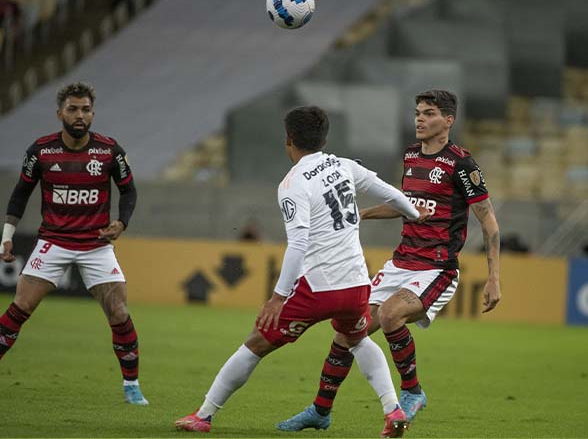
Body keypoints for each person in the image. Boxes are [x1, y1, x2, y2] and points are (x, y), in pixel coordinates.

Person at [174, 106, 429, 437]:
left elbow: (297, 245)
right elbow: (391, 193)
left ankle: (204, 416)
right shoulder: (344, 165)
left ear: (288, 140)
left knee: (255, 344)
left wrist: (278, 297)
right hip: (356, 285)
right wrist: (413, 213)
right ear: (323, 138)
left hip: (318, 286)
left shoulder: (292, 184)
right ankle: (392, 409)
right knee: (357, 340)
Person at [279, 90, 502, 430]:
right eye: (417, 112)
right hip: (401, 262)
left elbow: (489, 222)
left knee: (390, 314)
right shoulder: (412, 155)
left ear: (448, 121)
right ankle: (320, 411)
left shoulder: (462, 163)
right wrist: (362, 213)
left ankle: (412, 392)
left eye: (428, 113)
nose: (420, 119)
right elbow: (403, 204)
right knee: (348, 332)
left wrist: (494, 278)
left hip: (436, 268)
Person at [0, 82, 148, 406]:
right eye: (72, 109)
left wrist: (121, 222)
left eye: (85, 109)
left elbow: (129, 191)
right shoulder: (41, 150)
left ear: (92, 113)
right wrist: (7, 237)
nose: (79, 115)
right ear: (60, 113)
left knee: (119, 313)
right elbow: (20, 193)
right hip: (53, 242)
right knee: (20, 308)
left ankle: (131, 385)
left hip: (96, 244)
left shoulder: (109, 150)